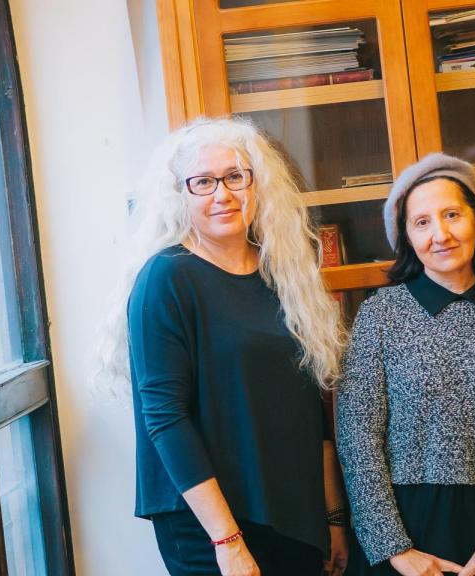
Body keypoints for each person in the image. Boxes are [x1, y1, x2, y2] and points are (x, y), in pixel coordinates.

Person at [114, 117, 348, 575]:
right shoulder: (166, 279)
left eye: (235, 177)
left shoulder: (285, 275)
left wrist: (332, 516)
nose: (222, 195)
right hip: (210, 526)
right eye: (202, 182)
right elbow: (165, 418)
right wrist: (227, 540)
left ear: (257, 184)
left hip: (291, 514)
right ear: (179, 194)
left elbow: (310, 409)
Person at [337, 153, 475, 576]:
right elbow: (357, 442)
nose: (440, 234)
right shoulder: (379, 315)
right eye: (421, 222)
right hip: (405, 532)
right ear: (407, 236)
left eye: (451, 214)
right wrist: (396, 550)